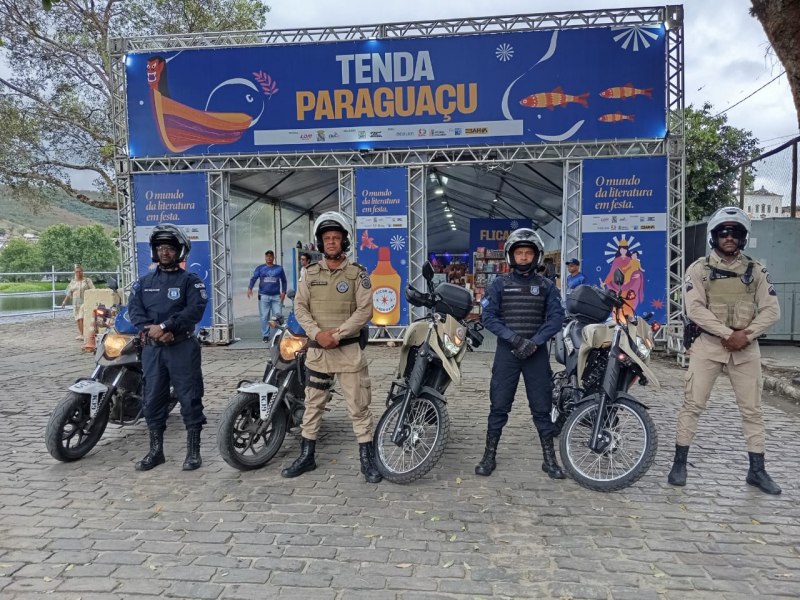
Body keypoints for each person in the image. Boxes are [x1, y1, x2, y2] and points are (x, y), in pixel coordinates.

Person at [668, 206, 781, 494]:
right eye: (723, 232)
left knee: (753, 410)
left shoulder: (755, 271)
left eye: (735, 233)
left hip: (745, 349)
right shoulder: (698, 269)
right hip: (708, 346)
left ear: (743, 237)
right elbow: (694, 309)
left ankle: (757, 470)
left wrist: (746, 335)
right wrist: (728, 334)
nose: (729, 237)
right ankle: (679, 463)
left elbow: (771, 310)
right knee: (692, 405)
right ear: (714, 236)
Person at [281, 211, 381, 483]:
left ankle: (367, 459)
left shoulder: (357, 274)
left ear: (345, 242)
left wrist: (337, 334)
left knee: (359, 406)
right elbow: (299, 306)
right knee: (313, 405)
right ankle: (307, 456)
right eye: (327, 238)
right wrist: (316, 333)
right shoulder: (309, 273)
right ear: (320, 242)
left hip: (348, 352)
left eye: (337, 238)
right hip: (318, 351)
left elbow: (366, 310)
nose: (332, 242)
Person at [476, 228, 566, 479]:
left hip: (536, 355)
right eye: (520, 253)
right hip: (508, 353)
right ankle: (489, 455)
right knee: (499, 405)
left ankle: (550, 460)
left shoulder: (547, 286)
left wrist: (535, 342)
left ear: (536, 256)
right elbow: (489, 317)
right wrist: (514, 339)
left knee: (541, 407)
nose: (524, 257)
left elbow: (556, 318)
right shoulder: (499, 284)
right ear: (511, 256)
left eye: (528, 253)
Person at [128, 223, 209, 472]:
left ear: (180, 251)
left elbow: (194, 311)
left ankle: (193, 453)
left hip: (182, 348)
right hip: (153, 351)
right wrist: (150, 329)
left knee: (190, 398)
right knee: (152, 399)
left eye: (170, 248)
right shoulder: (144, 282)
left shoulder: (191, 282)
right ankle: (156, 452)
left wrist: (166, 326)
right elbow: (134, 310)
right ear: (154, 251)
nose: (165, 252)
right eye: (160, 248)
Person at [247, 250, 288, 343]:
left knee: (278, 316)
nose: (269, 258)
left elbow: (284, 281)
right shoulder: (260, 268)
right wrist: (250, 288)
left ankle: (278, 335)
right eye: (267, 256)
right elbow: (254, 278)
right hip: (264, 296)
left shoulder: (279, 268)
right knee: (264, 317)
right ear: (265, 258)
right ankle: (265, 335)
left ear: (274, 258)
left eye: (271, 256)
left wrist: (283, 292)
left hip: (276, 296)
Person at [61, 264, 95, 340]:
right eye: (76, 272)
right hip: (76, 302)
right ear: (74, 272)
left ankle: (85, 334)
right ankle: (81, 334)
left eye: (80, 271)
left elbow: (93, 290)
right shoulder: (72, 282)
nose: (78, 273)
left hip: (85, 301)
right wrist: (64, 301)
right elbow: (68, 292)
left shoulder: (87, 280)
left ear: (83, 272)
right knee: (78, 318)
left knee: (82, 317)